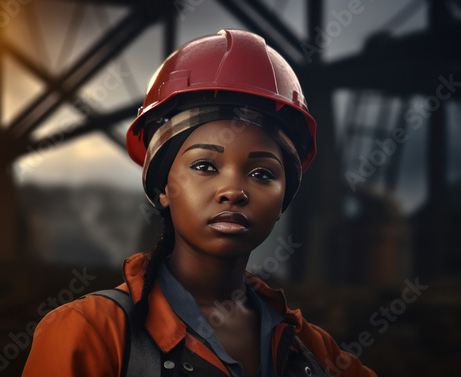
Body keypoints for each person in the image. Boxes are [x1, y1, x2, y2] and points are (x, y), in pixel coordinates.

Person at [22, 29, 376, 377]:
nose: (234, 191)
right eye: (205, 166)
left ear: (284, 197)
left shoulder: (316, 352)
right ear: (162, 188)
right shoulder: (91, 333)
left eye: (263, 174)